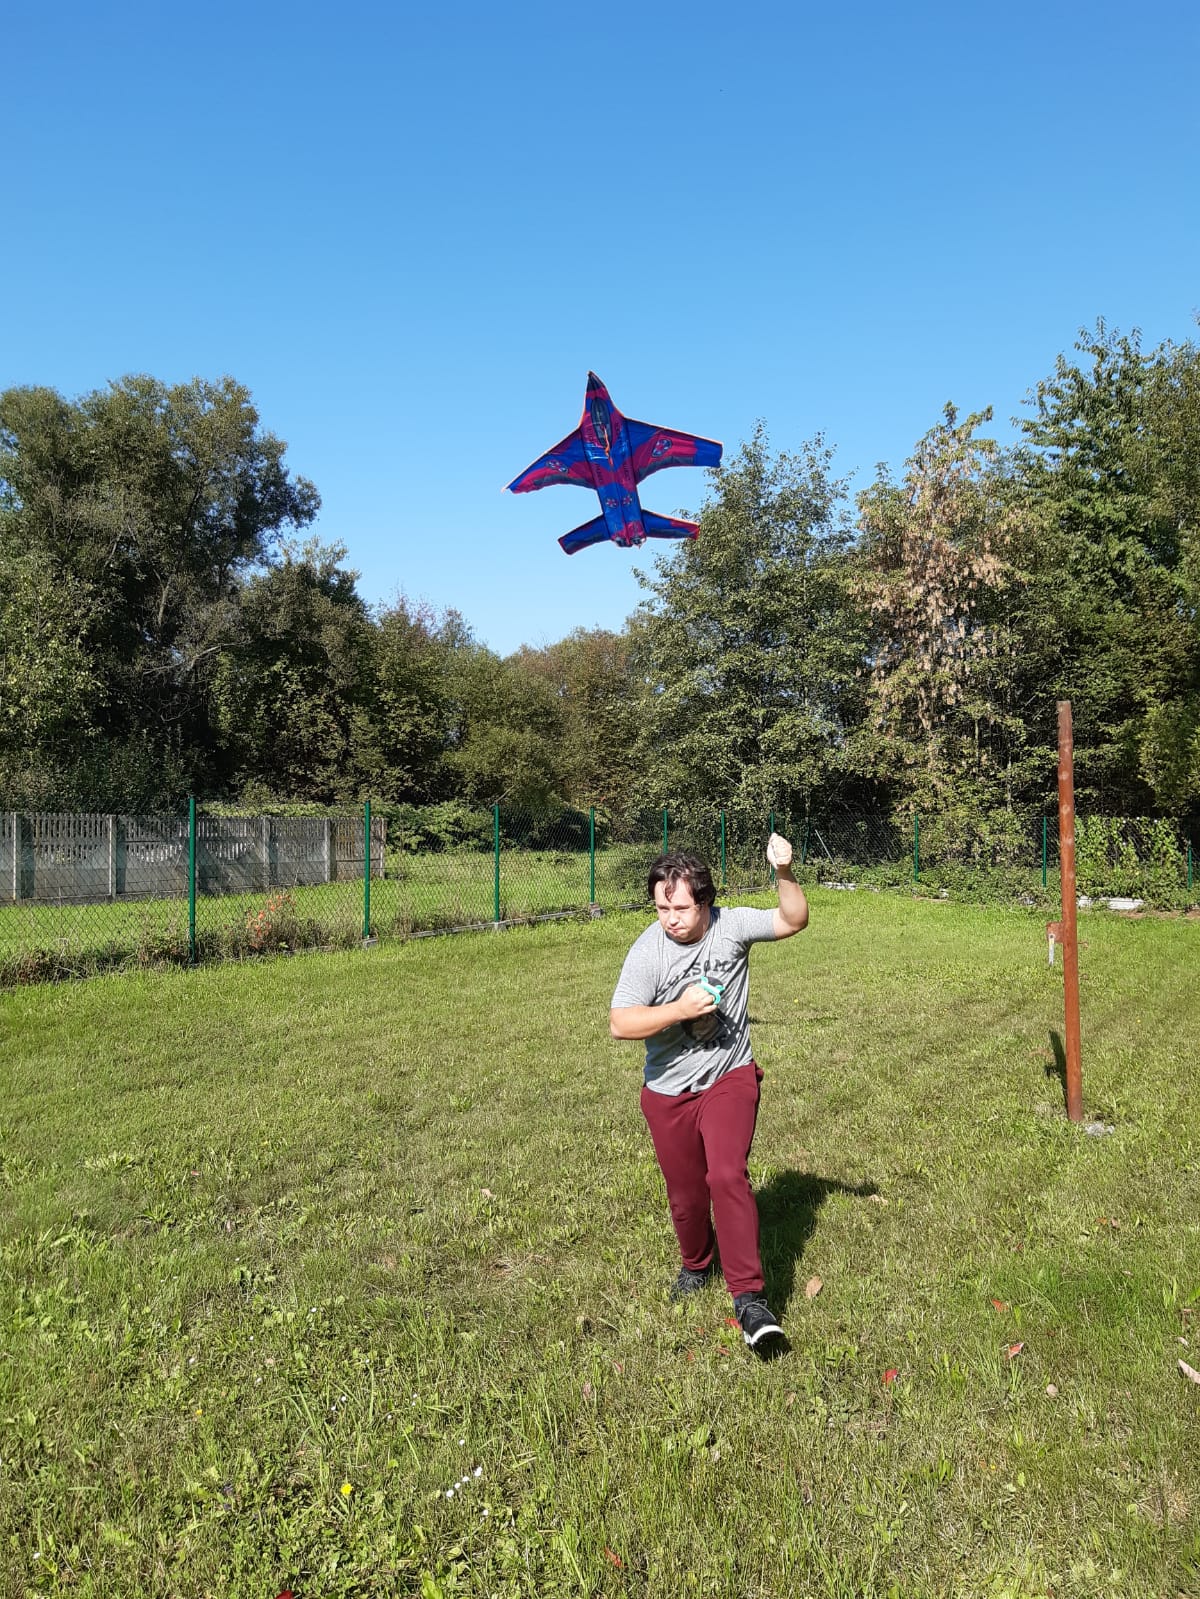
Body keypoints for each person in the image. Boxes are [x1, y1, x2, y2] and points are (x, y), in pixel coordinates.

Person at [609, 834, 808, 1357]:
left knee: (726, 1175)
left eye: (680, 908)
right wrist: (679, 1010)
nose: (670, 919)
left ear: (705, 902)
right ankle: (697, 1265)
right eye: (661, 908)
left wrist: (784, 872)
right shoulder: (647, 951)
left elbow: (793, 920)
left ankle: (750, 1301)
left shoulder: (730, 926)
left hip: (728, 1076)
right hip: (667, 1092)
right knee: (687, 1197)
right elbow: (620, 1023)